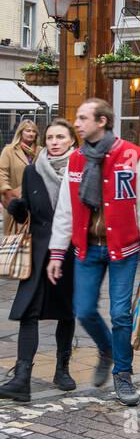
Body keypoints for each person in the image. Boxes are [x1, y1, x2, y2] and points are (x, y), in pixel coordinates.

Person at [47, 98, 140, 408]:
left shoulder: (134, 156)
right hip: (87, 248)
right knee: (83, 310)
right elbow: (66, 210)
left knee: (121, 314)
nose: (77, 123)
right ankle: (108, 349)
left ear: (102, 122)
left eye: (83, 118)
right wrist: (57, 253)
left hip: (124, 248)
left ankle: (123, 374)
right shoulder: (77, 160)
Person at [0, 119, 77, 403]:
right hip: (38, 252)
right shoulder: (33, 172)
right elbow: (25, 214)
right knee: (28, 312)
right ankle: (22, 379)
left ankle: (62, 369)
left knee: (67, 312)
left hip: (70, 253)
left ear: (71, 141)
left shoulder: (82, 170)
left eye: (61, 137)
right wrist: (16, 208)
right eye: (51, 137)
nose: (55, 141)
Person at [0, 119, 41, 234]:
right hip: (15, 200)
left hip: (36, 203)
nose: (31, 133)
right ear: (21, 132)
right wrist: (7, 192)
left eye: (34, 131)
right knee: (14, 236)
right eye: (28, 130)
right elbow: (1, 172)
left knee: (34, 240)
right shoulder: (9, 150)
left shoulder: (41, 151)